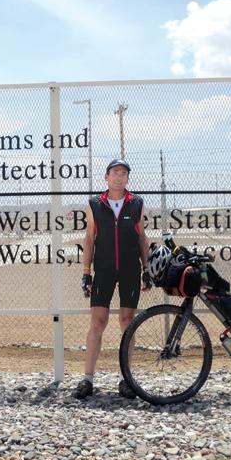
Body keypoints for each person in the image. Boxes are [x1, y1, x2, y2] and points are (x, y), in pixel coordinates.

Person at [73, 159, 152, 399]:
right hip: (104, 270)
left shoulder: (136, 203)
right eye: (115, 173)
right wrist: (86, 272)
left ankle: (125, 379)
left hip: (129, 269)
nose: (119, 177)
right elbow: (89, 240)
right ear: (106, 177)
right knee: (98, 322)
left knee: (127, 322)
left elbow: (142, 239)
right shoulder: (96, 204)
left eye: (124, 173)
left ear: (127, 178)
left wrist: (146, 268)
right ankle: (87, 379)